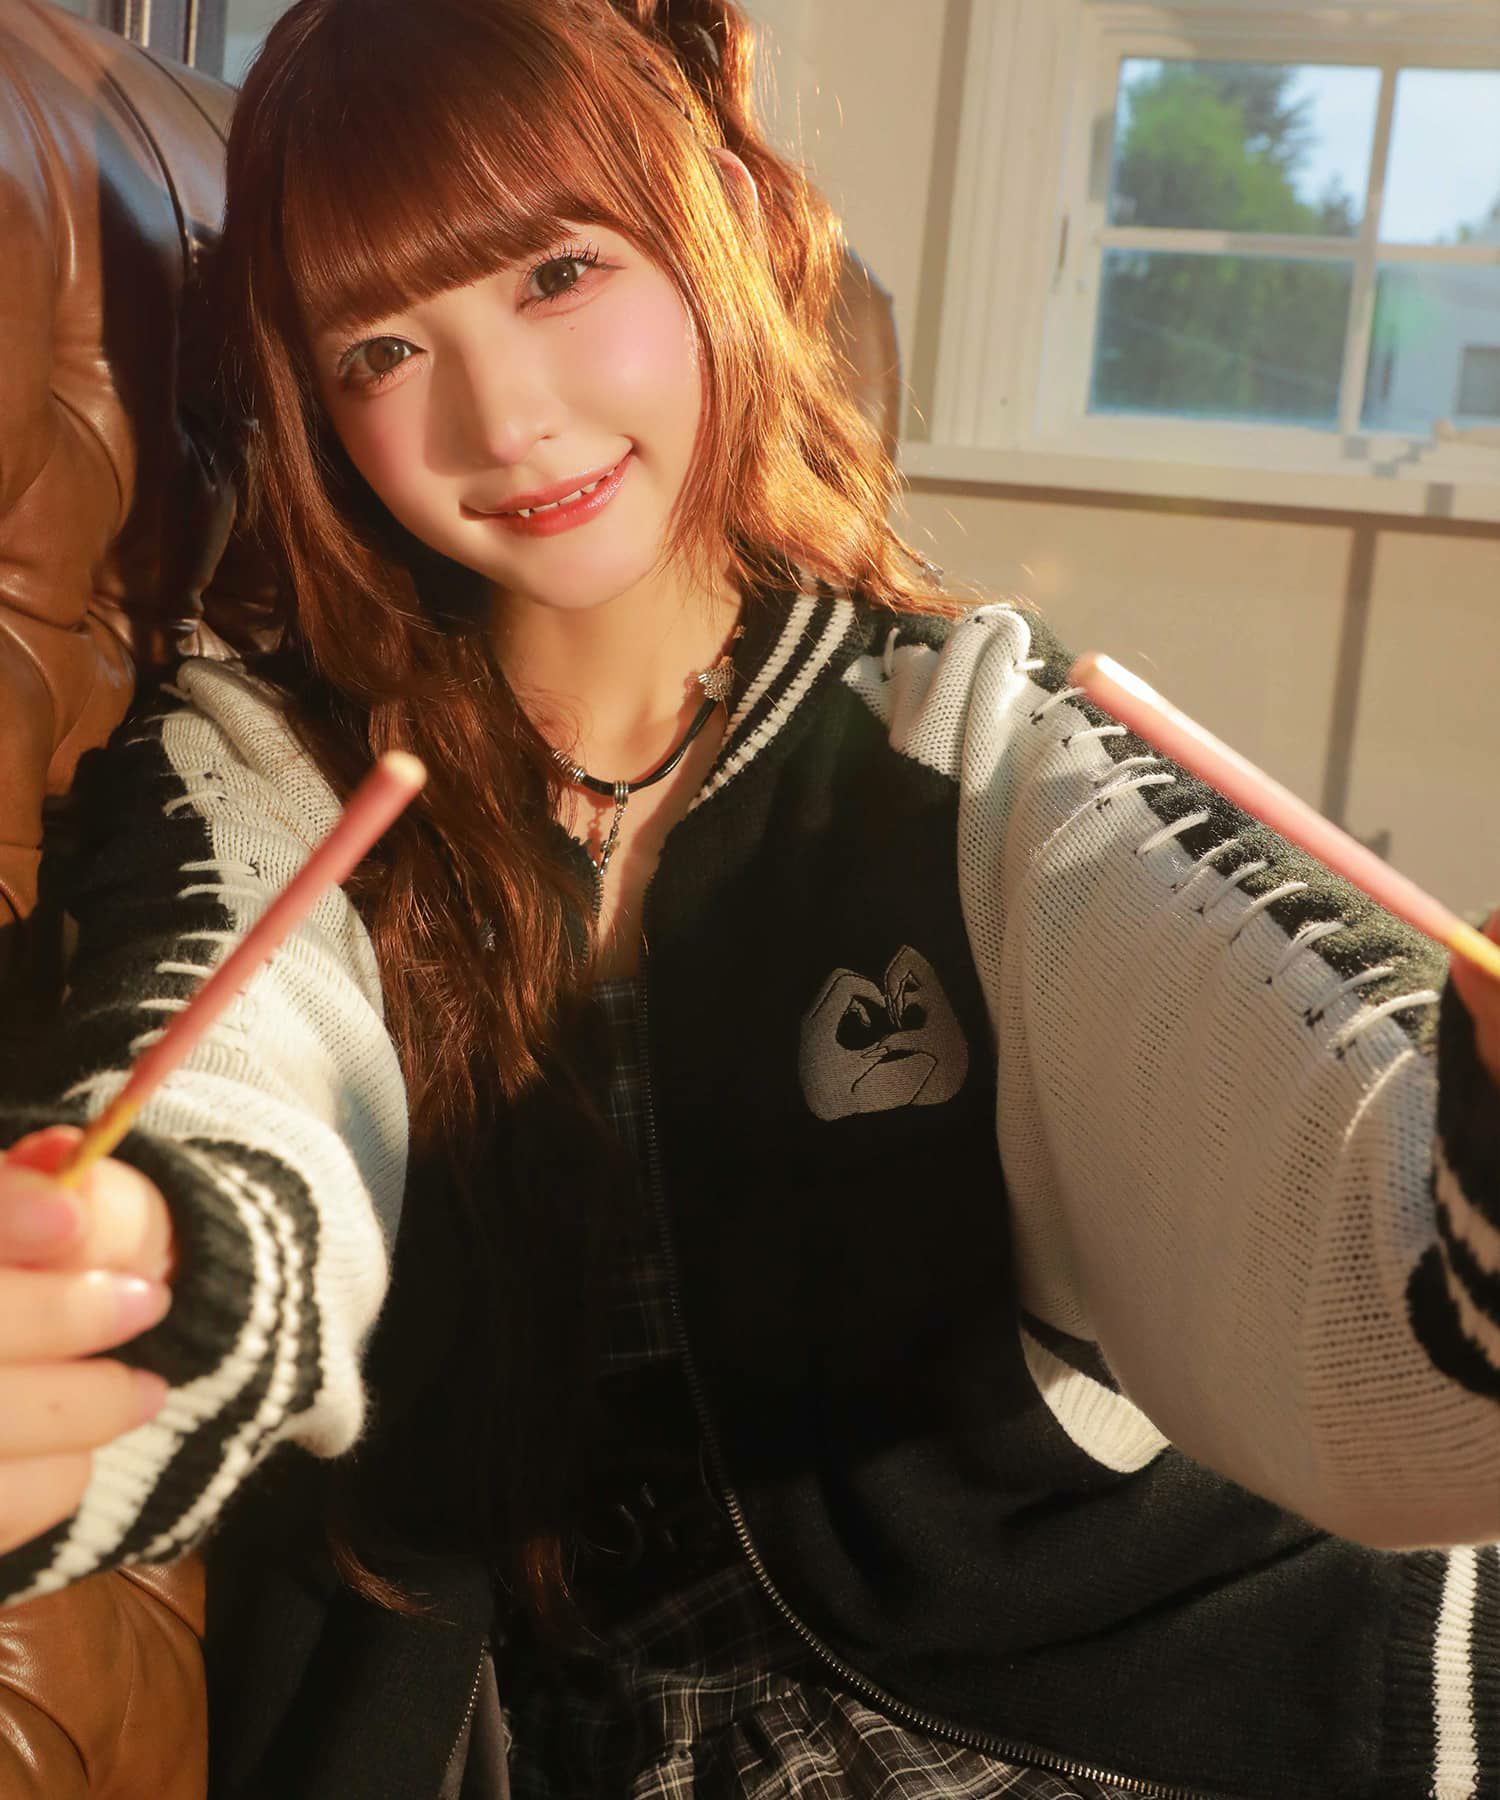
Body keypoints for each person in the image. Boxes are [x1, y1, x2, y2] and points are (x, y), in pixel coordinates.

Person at [0, 0, 1497, 1795]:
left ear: (713, 231)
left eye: (559, 273)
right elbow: (242, 1077)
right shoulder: (275, 756)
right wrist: (129, 1285)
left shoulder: (972, 745)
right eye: (383, 347)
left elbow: (1325, 1181)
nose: (506, 417)